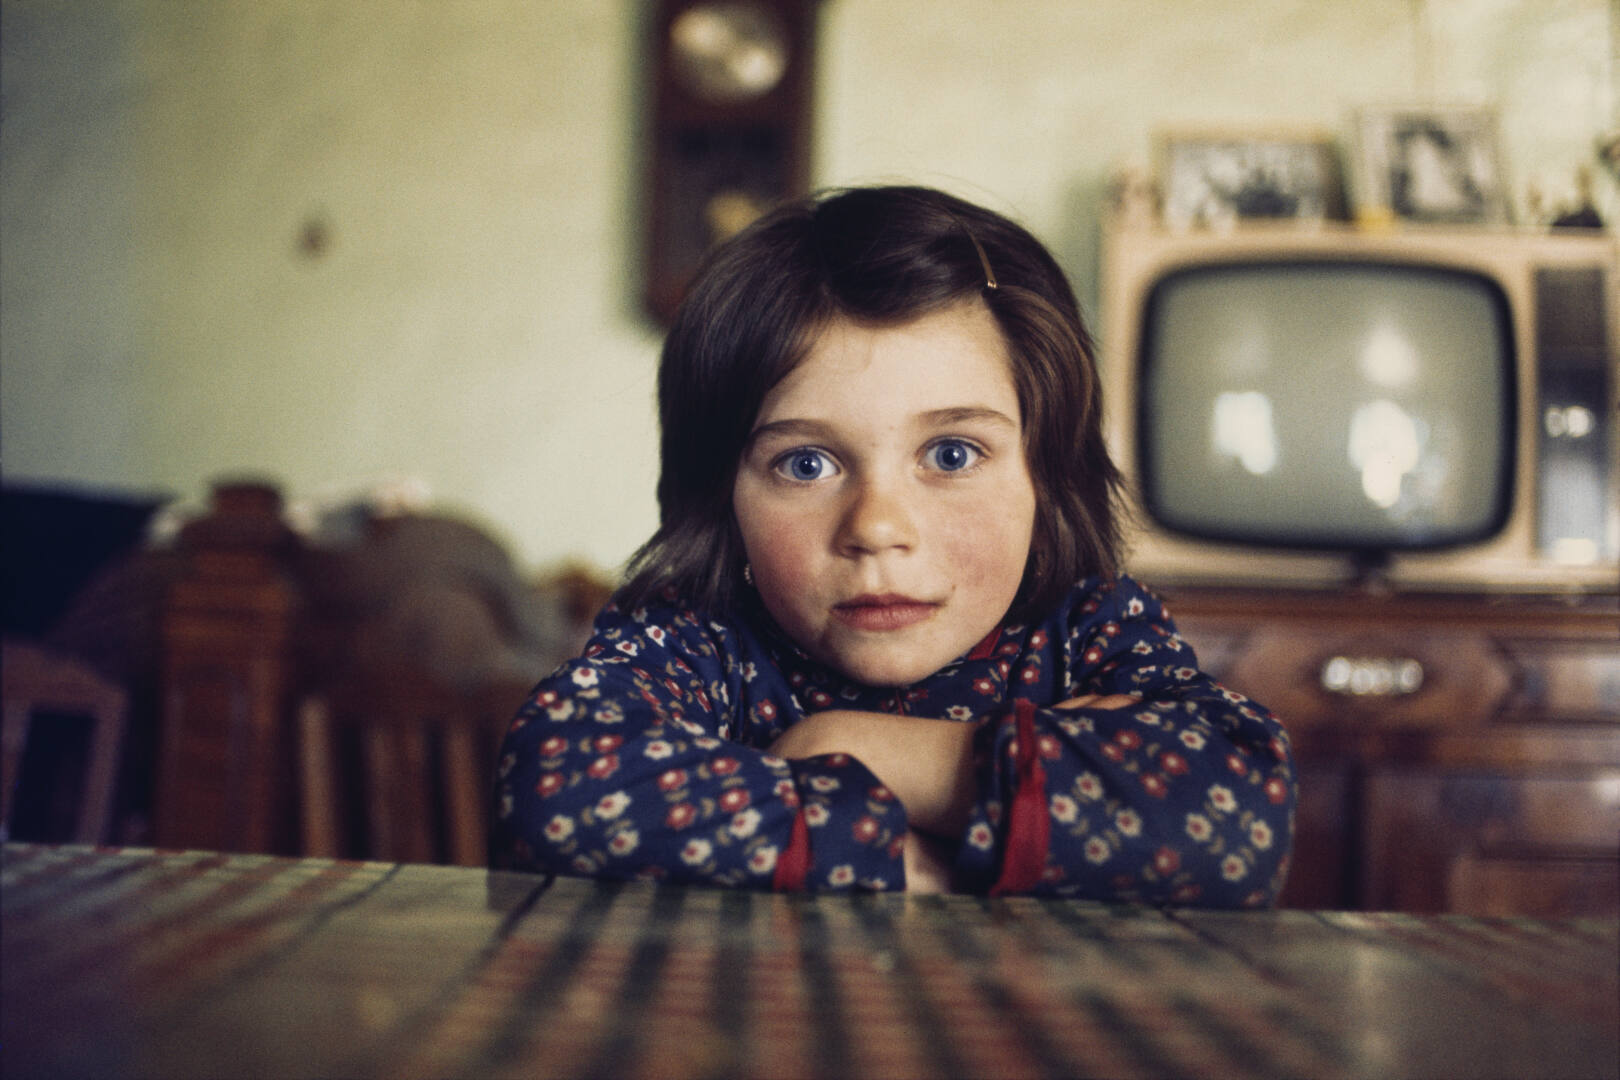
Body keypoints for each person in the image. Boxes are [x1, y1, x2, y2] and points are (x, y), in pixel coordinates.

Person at [491, 185, 1294, 904]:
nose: (876, 527)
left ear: (1046, 475)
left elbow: (1240, 816)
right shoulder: (699, 641)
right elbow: (552, 784)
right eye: (806, 464)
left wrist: (842, 745)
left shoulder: (1086, 628)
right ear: (723, 499)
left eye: (951, 455)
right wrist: (915, 864)